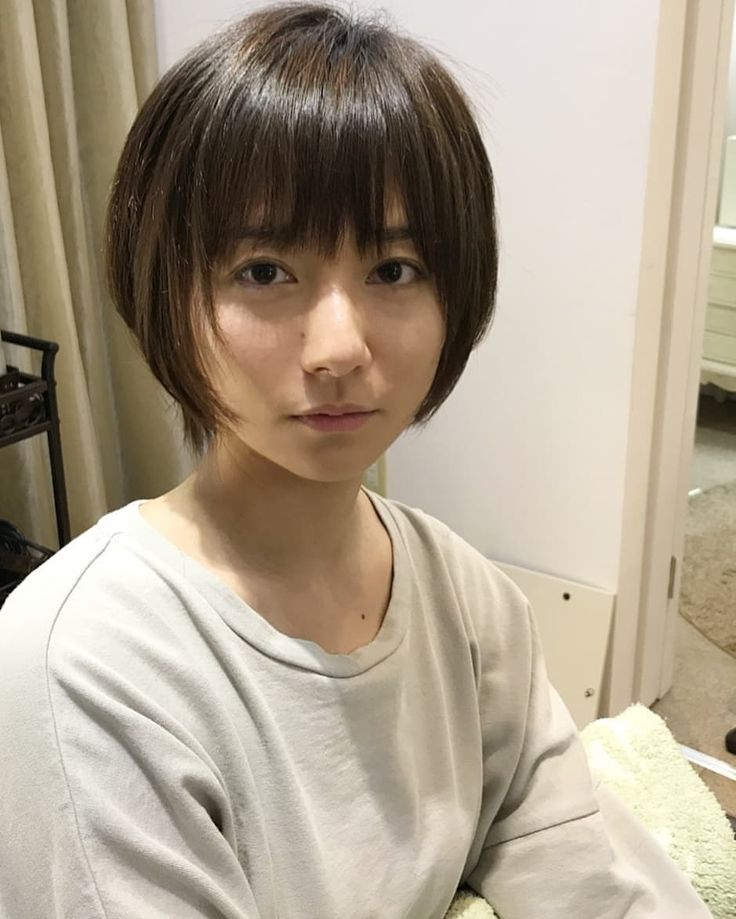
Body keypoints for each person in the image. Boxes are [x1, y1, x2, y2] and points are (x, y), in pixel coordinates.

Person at [0, 4, 712, 918]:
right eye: (264, 270)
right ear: (164, 290)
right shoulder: (85, 668)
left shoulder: (466, 596)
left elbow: (575, 863)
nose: (339, 346)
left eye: (394, 269)